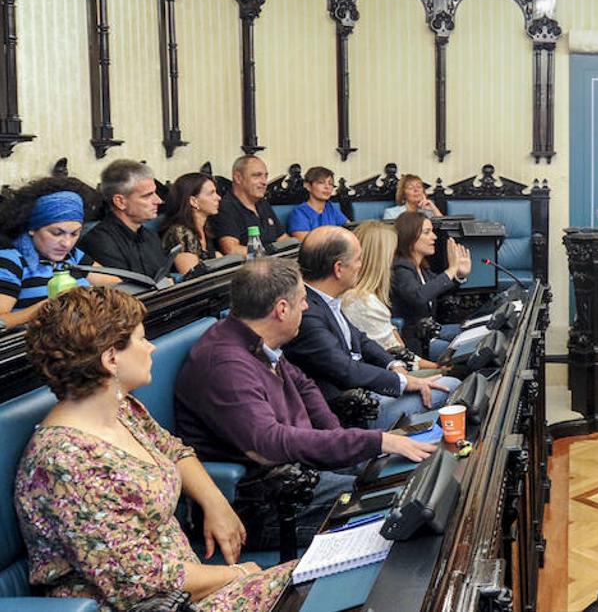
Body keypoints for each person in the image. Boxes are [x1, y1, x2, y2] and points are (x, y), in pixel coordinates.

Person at [15, 287, 292, 611]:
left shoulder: (121, 409)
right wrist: (239, 573)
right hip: (154, 605)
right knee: (308, 583)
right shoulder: (65, 463)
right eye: (141, 339)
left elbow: (173, 450)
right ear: (110, 359)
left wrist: (215, 502)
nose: (151, 348)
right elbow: (141, 582)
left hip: (189, 590)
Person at [174, 258, 435, 548]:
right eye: (302, 301)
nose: (308, 307)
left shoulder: (253, 338)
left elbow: (304, 385)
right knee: (402, 508)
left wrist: (339, 439)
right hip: (268, 505)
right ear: (282, 310)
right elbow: (268, 444)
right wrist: (373, 441)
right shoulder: (225, 366)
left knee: (408, 479)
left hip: (304, 470)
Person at [284, 226, 458, 430]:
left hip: (368, 388)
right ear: (339, 269)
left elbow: (361, 339)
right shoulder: (307, 313)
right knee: (452, 386)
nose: (361, 265)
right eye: (358, 259)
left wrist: (392, 365)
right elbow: (345, 369)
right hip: (356, 411)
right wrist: (403, 382)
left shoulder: (325, 300)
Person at [0, 178, 110, 329]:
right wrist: (46, 308)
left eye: (74, 234)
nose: (66, 243)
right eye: (57, 233)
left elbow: (118, 284)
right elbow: (1, 321)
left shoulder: (73, 256)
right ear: (32, 228)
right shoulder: (11, 261)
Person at [342, 221, 443, 373]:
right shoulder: (363, 302)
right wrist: (442, 369)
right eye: (394, 253)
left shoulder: (363, 296)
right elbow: (398, 360)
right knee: (454, 382)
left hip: (393, 368)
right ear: (380, 258)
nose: (396, 259)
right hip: (385, 379)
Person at [391, 211, 471, 354]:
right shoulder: (400, 267)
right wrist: (452, 269)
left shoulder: (422, 268)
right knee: (467, 351)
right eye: (427, 232)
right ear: (410, 236)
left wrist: (459, 275)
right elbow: (418, 296)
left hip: (430, 334)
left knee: (472, 331)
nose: (434, 237)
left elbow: (439, 289)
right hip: (414, 344)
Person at [78, 159, 169, 278]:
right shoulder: (99, 242)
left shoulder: (151, 236)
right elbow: (125, 291)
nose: (158, 200)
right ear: (120, 202)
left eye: (155, 193)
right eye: (147, 195)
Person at [210, 155, 289, 256]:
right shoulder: (225, 207)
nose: (264, 182)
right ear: (238, 178)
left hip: (276, 263)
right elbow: (231, 250)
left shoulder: (262, 203)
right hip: (249, 267)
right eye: (257, 176)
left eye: (265, 176)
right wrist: (267, 254)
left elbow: (282, 238)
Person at [159, 172, 223, 276]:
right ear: (193, 201)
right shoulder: (179, 233)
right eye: (211, 193)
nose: (218, 197)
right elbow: (192, 276)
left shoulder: (206, 228)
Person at [287, 166, 348, 240]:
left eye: (330, 183)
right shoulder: (299, 213)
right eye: (321, 182)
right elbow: (306, 243)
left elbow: (349, 228)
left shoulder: (330, 207)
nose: (327, 187)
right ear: (308, 186)